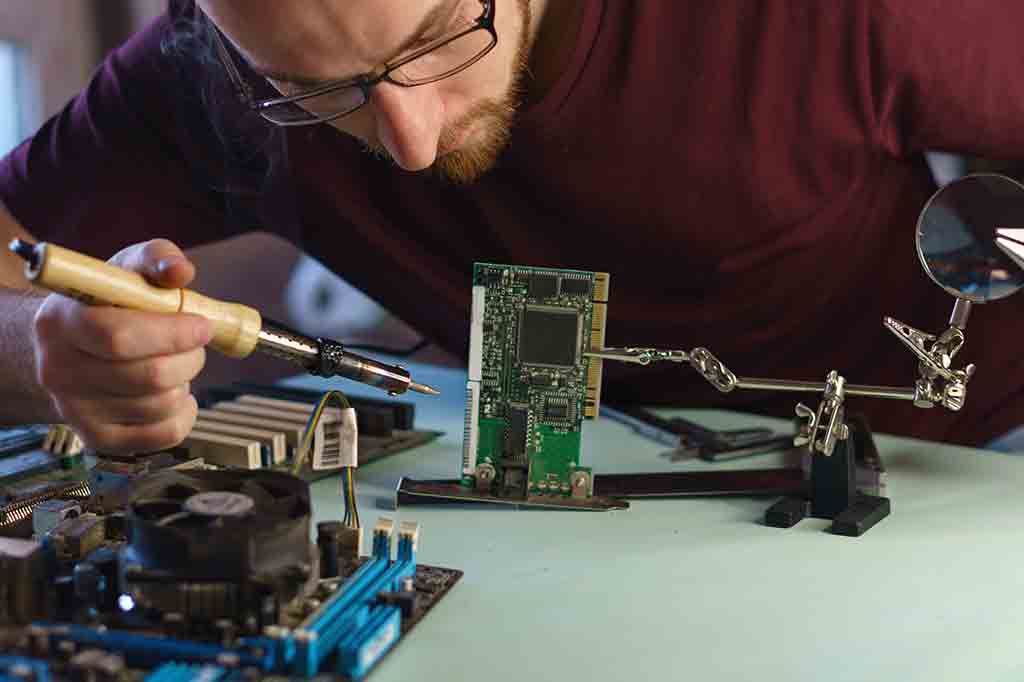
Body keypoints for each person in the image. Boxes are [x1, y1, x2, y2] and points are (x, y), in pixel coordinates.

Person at [1, 0, 1022, 454]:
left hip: (963, 458)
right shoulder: (199, 76)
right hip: (596, 493)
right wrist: (49, 352)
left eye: (443, 34)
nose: (408, 139)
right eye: (318, 91)